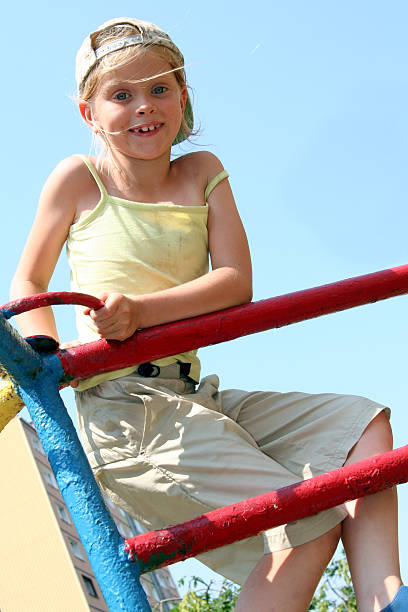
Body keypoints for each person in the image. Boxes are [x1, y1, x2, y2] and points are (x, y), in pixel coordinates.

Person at [10, 18, 406, 611]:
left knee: (361, 428)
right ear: (91, 114)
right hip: (128, 416)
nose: (144, 107)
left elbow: (235, 283)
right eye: (121, 95)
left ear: (184, 96)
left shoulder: (202, 173)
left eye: (160, 89)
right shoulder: (80, 180)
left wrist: (140, 311)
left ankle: (387, 599)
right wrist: (47, 354)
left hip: (197, 397)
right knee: (306, 519)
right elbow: (28, 281)